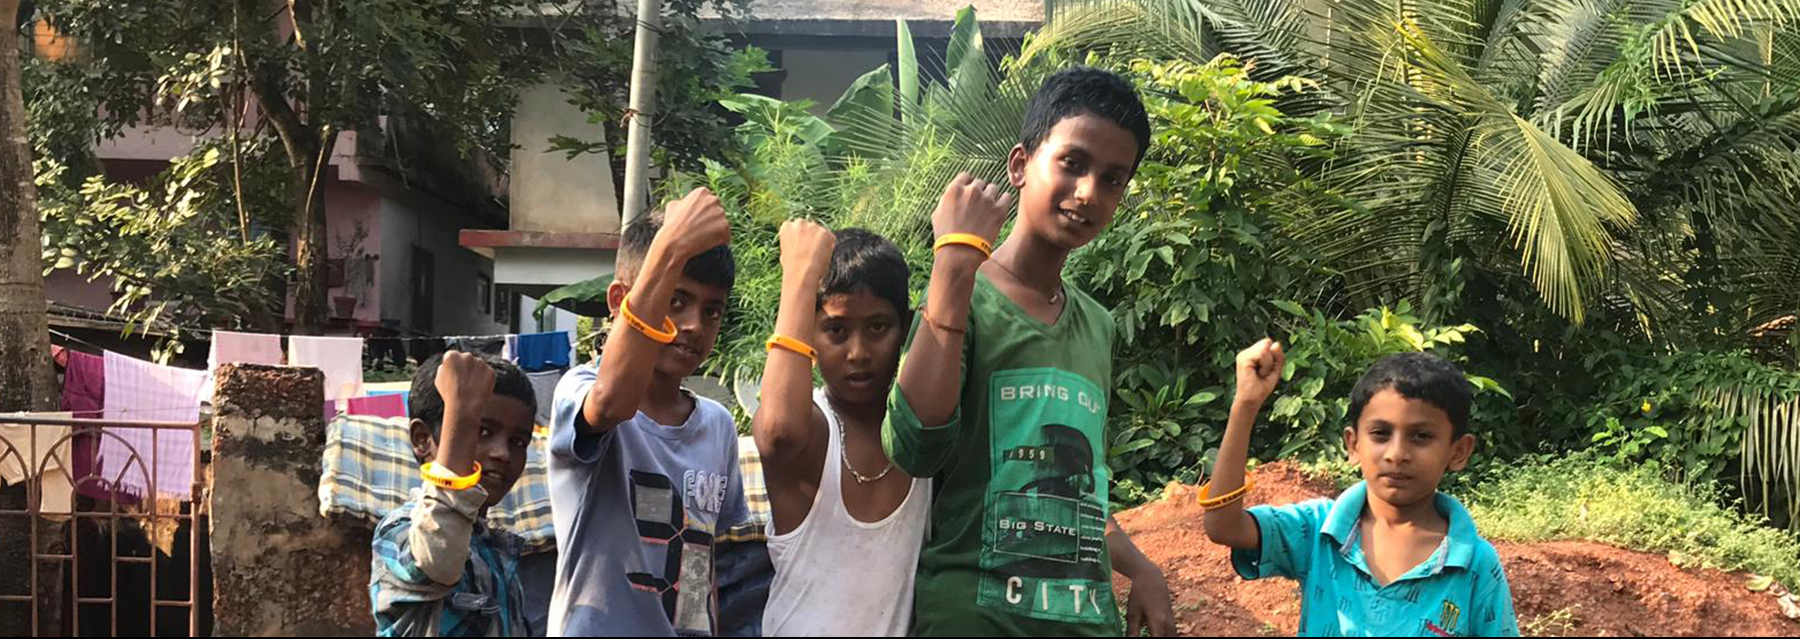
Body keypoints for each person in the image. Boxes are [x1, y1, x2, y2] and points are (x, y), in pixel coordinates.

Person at [882, 66, 1175, 636]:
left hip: (1083, 621)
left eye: (1113, 179)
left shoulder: (1097, 325)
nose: (1089, 192)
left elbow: (1080, 488)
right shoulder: (962, 294)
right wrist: (953, 262)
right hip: (975, 617)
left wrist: (1141, 568)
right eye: (1072, 163)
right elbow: (914, 443)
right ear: (1020, 165)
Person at [1203, 341, 1520, 636]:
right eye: (1381, 433)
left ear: (1458, 451)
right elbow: (1223, 527)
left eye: (1421, 436)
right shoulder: (1317, 531)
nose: (1396, 453)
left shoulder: (1475, 563)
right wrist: (1245, 404)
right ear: (1353, 445)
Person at [546, 188, 750, 636]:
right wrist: (670, 248)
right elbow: (613, 402)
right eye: (675, 301)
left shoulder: (717, 426)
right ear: (621, 301)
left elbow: (710, 561)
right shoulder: (581, 391)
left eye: (711, 310)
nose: (694, 324)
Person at [753, 221, 930, 636]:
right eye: (835, 330)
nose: (858, 353)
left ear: (904, 326)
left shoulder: (921, 434)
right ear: (808, 334)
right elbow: (778, 430)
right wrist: (798, 275)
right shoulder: (813, 429)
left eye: (877, 328)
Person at [370, 351, 540, 636]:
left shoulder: (497, 551)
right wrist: (462, 412)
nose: (502, 453)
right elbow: (439, 557)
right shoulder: (399, 533)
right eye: (482, 431)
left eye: (517, 441)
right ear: (423, 439)